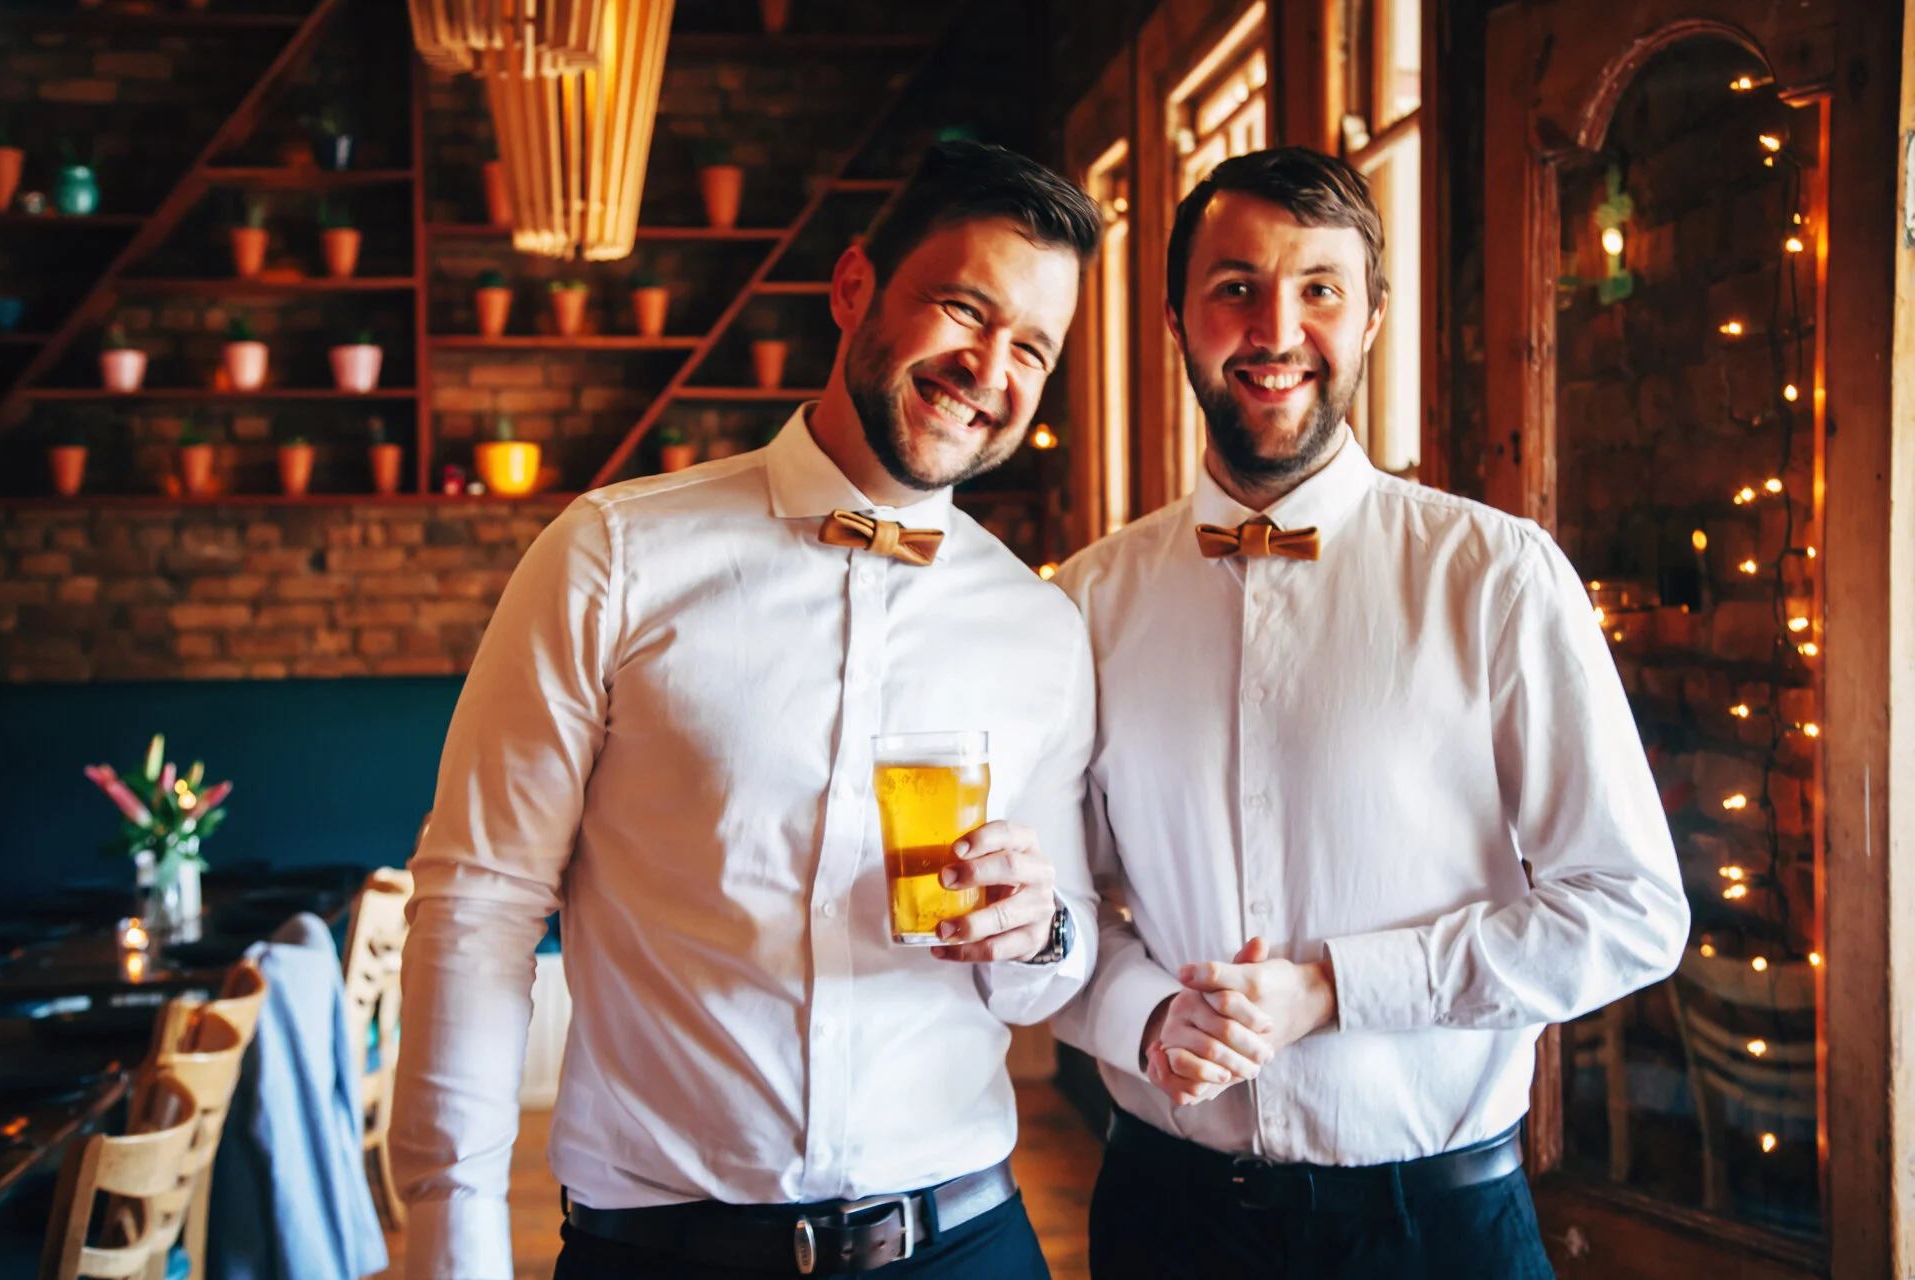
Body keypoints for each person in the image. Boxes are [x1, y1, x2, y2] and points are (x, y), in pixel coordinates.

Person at [391, 140, 1104, 1280]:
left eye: (1033, 347)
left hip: (963, 1242)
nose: (990, 367)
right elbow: (479, 905)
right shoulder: (611, 554)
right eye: (965, 308)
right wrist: (451, 1238)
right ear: (856, 287)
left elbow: (1050, 965)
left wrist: (1043, 926)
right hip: (663, 1250)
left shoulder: (1040, 625)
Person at [1052, 146, 1688, 1278]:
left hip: (1431, 1228)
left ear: (1374, 317)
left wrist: (1337, 987)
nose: (1276, 328)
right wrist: (1143, 1012)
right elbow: (1055, 909)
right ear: (1176, 317)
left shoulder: (1496, 576)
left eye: (1320, 289)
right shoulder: (1088, 598)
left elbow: (1630, 907)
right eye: (1235, 286)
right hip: (1163, 1214)